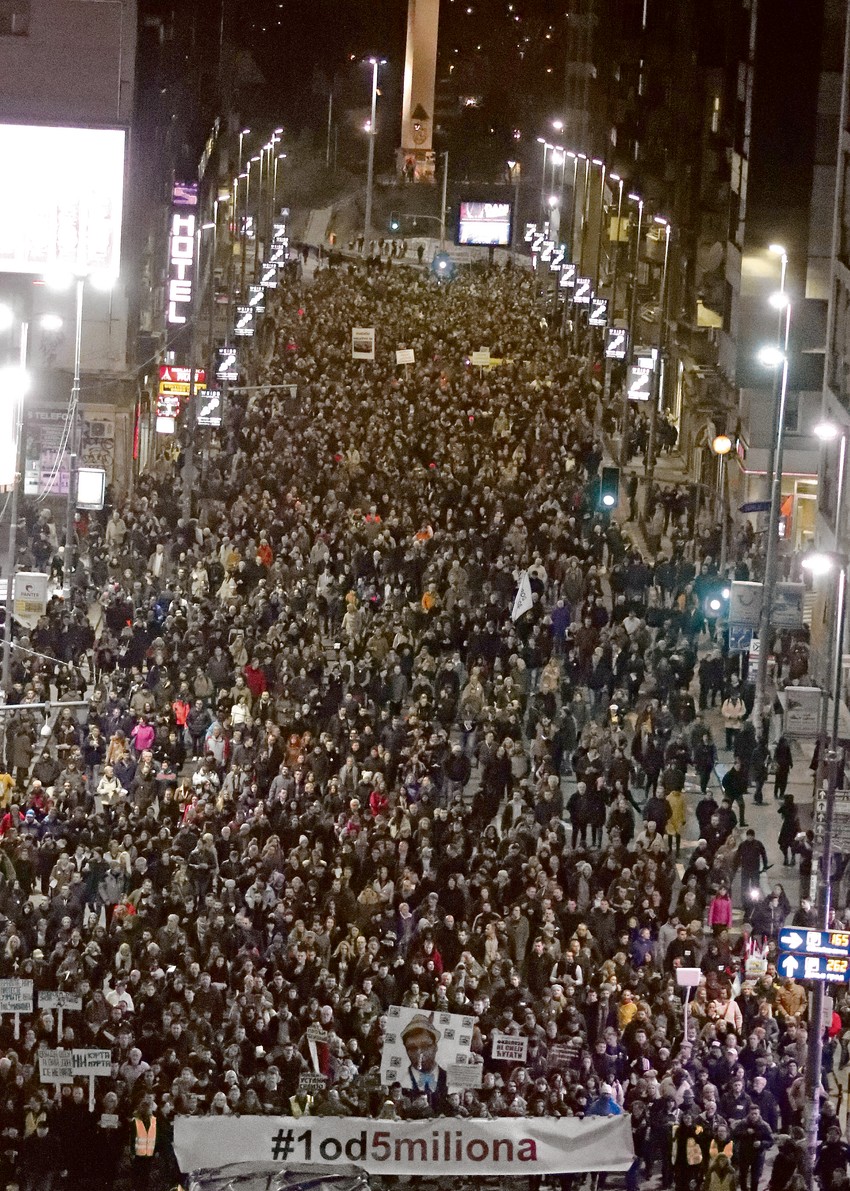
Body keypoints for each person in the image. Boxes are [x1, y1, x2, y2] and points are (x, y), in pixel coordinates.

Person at [400, 1013, 448, 1097]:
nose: (419, 1053)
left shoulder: (449, 1079)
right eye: (412, 1048)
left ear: (435, 1047)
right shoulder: (400, 1081)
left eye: (425, 1046)